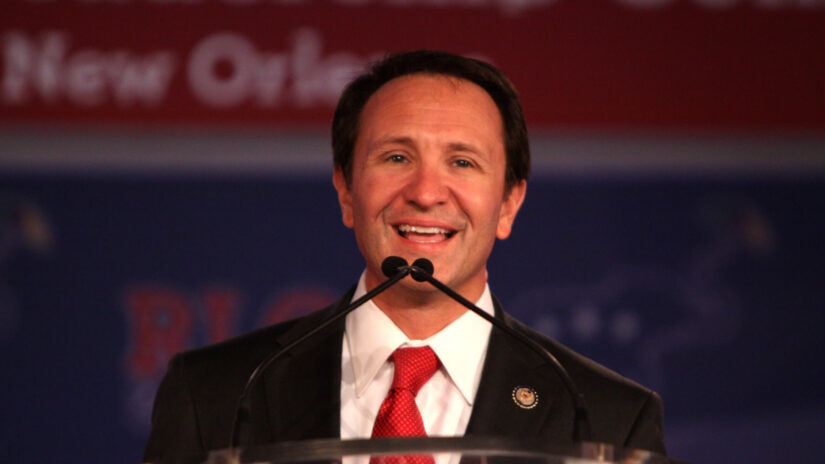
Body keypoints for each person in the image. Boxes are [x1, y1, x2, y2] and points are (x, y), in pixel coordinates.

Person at [142, 50, 666, 463]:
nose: (426, 192)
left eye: (462, 162)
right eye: (396, 157)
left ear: (509, 204)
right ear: (346, 191)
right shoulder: (216, 392)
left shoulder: (605, 417)